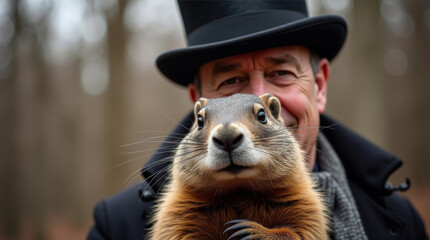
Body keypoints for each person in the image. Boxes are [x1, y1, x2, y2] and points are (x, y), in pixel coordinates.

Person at [87, 1, 428, 239]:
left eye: (281, 72)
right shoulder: (115, 226)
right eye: (230, 82)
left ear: (319, 85)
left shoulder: (400, 219)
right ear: (196, 103)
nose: (259, 94)